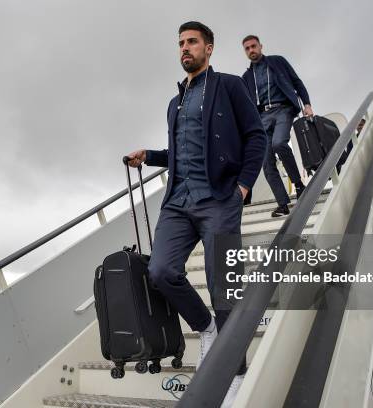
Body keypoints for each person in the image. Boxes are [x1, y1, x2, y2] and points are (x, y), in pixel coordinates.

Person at [126, 21, 266, 407]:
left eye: (192, 42)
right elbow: (179, 153)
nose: (185, 48)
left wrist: (243, 185)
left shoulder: (230, 87)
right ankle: (205, 328)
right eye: (181, 44)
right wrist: (150, 157)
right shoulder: (176, 103)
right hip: (178, 200)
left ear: (209, 48)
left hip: (220, 198)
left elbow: (257, 135)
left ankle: (234, 375)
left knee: (225, 288)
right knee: (160, 271)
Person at [241, 35, 314, 217]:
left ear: (260, 46)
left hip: (283, 109)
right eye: (247, 48)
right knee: (266, 161)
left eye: (253, 46)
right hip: (261, 117)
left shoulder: (277, 62)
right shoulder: (246, 77)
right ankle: (282, 204)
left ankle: (299, 185)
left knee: (279, 143)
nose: (251, 50)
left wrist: (307, 104)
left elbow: (297, 82)